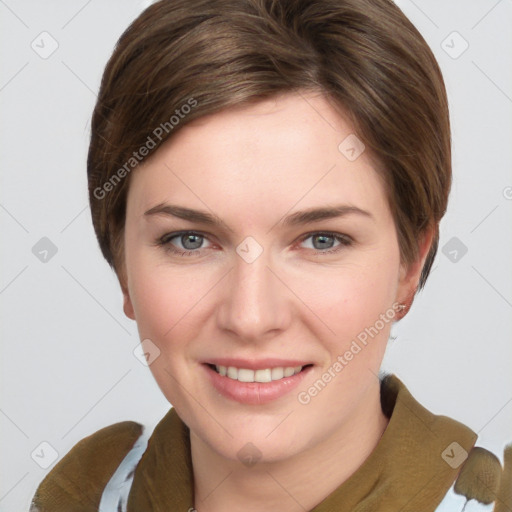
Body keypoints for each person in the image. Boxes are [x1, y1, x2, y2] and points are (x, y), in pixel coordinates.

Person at [29, 0, 511, 510]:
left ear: (410, 266)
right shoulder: (80, 492)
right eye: (189, 239)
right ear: (122, 264)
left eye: (322, 239)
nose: (250, 317)